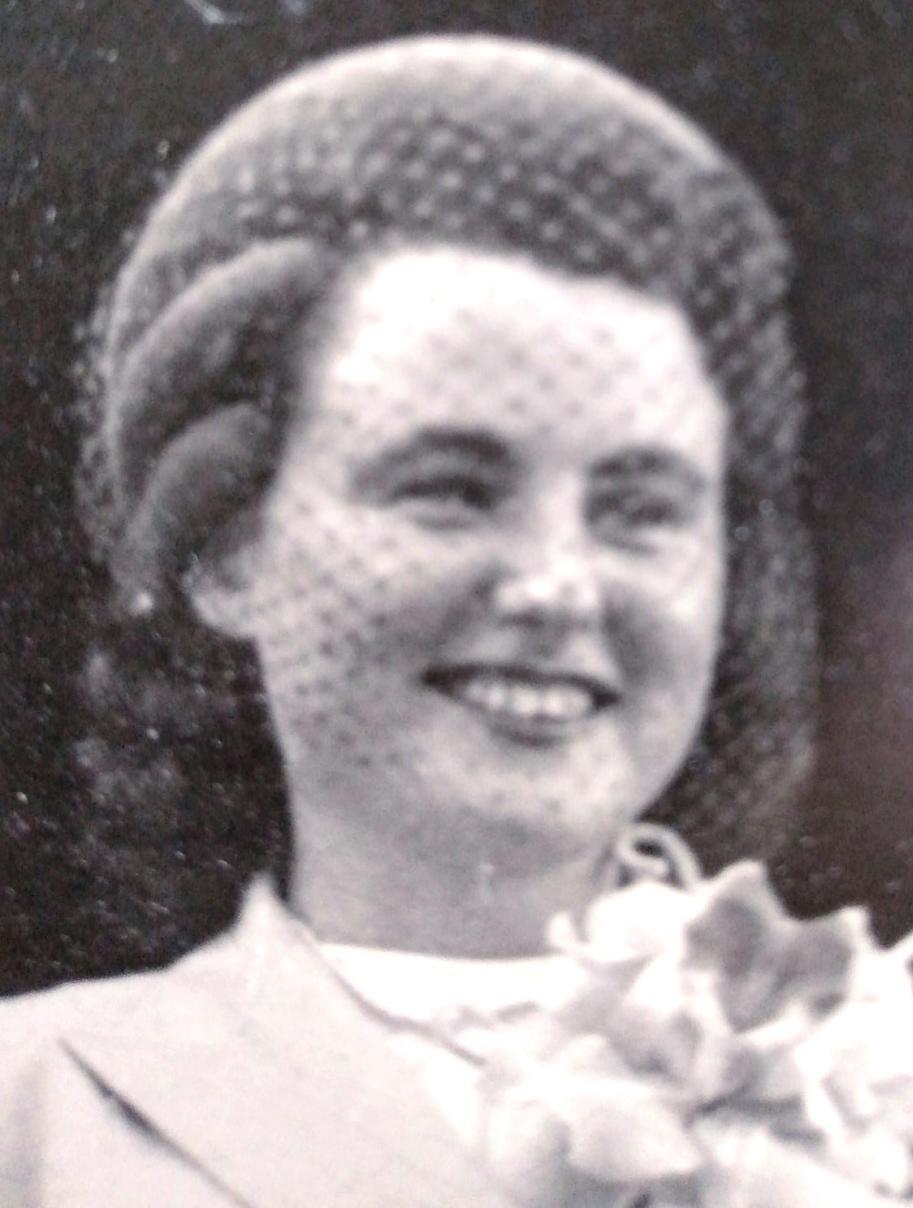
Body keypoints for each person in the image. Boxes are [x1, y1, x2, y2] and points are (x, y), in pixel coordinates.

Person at [0, 33, 821, 1207]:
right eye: (450, 488)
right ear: (232, 550)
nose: (556, 583)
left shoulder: (900, 1098)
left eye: (640, 510)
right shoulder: (27, 1107)